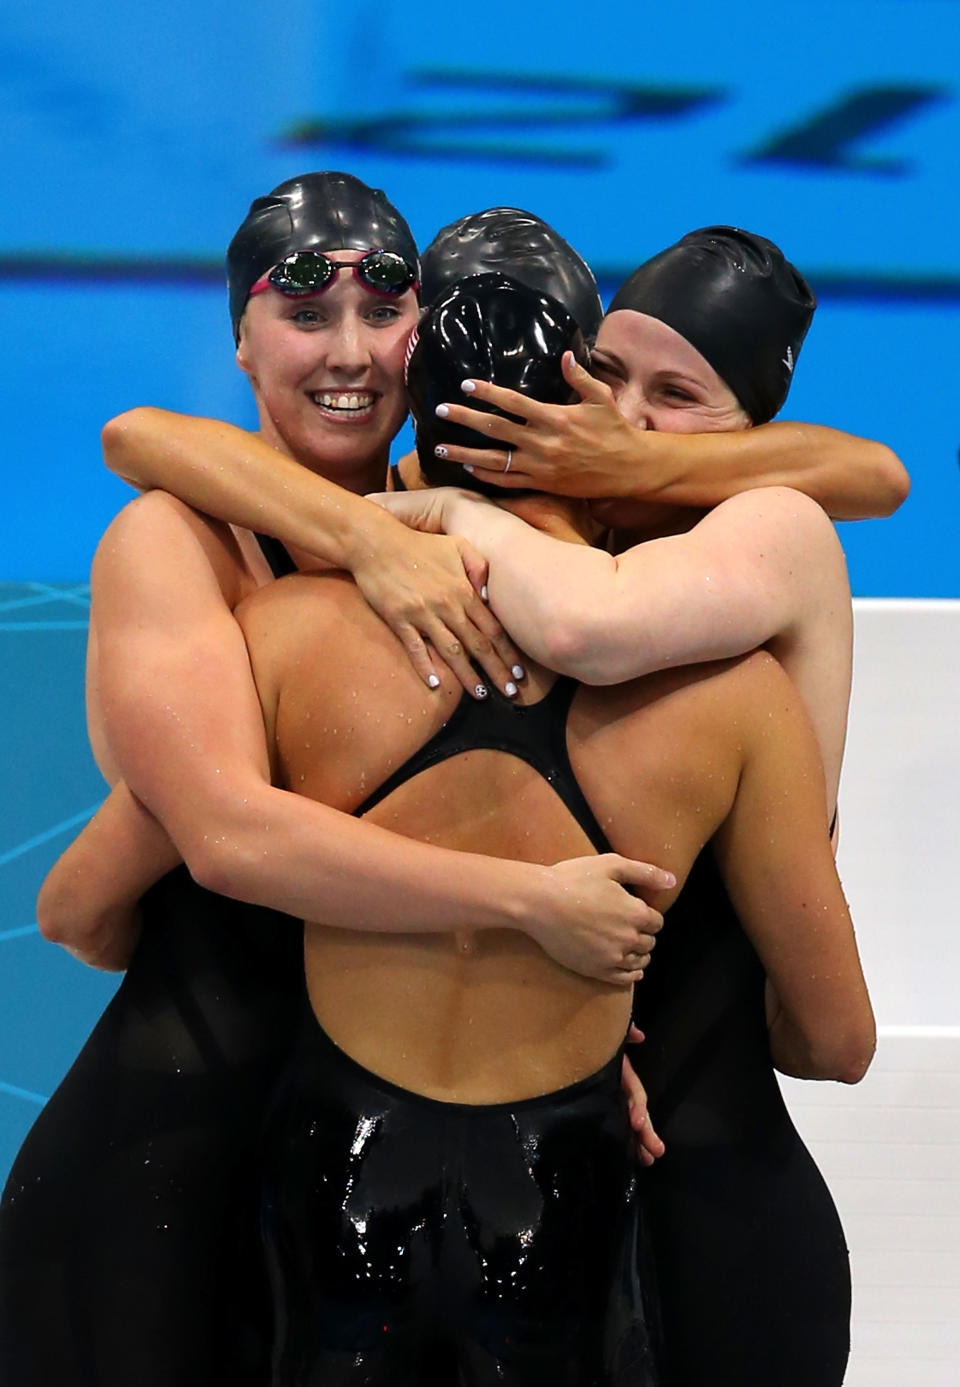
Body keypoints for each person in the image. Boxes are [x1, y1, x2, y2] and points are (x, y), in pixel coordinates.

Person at [0, 177, 663, 1387]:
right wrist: (531, 908)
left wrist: (558, 1015)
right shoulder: (181, 537)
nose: (351, 353)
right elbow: (228, 843)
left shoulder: (459, 522)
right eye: (306, 316)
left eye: (385, 309)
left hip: (353, 1155)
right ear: (241, 340)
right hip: (175, 1143)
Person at [236, 273, 874, 1384]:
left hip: (368, 1180)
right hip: (642, 1172)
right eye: (605, 378)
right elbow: (833, 1036)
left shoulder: (294, 629)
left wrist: (419, 516)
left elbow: (593, 618)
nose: (619, 424)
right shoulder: (734, 693)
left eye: (673, 397)